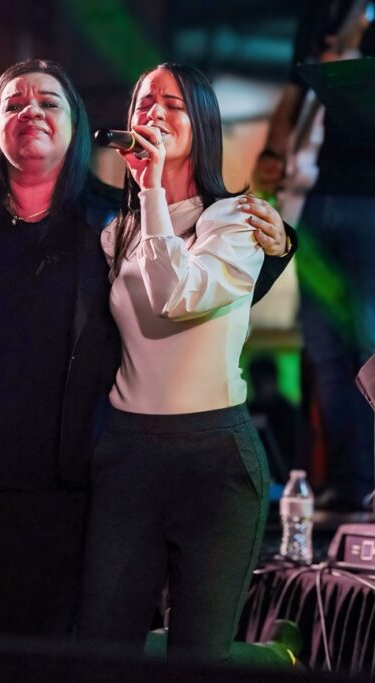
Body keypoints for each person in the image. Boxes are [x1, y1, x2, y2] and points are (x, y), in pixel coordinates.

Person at [0, 58, 294, 657]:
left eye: (49, 103)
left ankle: (269, 655)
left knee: (134, 652)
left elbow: (193, 291)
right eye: (14, 104)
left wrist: (280, 246)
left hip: (90, 474)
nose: (31, 114)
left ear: (76, 127)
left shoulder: (122, 216)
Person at [76, 63, 271, 663]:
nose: (152, 113)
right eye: (141, 103)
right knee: (102, 645)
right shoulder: (119, 231)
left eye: (172, 103)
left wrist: (154, 190)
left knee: (198, 654)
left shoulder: (239, 222)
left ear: (203, 124)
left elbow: (177, 297)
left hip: (214, 459)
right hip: (129, 451)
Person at [253, 0, 375, 510]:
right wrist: (272, 152)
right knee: (326, 352)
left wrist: (351, 70)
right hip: (321, 197)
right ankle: (348, 485)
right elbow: (293, 94)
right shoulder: (319, 11)